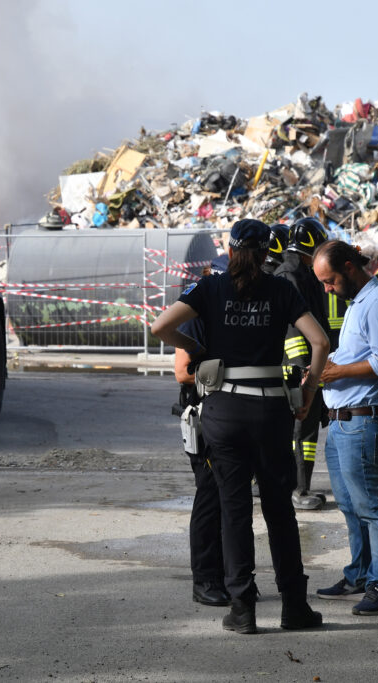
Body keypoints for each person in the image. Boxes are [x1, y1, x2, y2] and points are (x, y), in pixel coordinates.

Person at [151, 218, 329, 634]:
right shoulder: (282, 289)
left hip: (224, 412)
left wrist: (196, 348)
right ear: (269, 253)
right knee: (279, 509)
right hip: (270, 413)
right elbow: (319, 343)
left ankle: (243, 608)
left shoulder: (210, 287)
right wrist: (308, 390)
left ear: (229, 251)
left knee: (234, 511)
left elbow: (161, 326)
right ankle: (294, 606)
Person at [311, 240, 378, 616]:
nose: (327, 289)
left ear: (350, 267)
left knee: (372, 507)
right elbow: (356, 355)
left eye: (330, 280)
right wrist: (329, 368)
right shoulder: (356, 304)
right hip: (341, 421)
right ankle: (360, 573)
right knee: (351, 506)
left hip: (363, 420)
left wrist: (335, 371)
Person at [173, 259, 228, 608]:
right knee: (210, 497)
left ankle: (227, 576)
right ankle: (205, 579)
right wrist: (233, 374)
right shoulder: (194, 311)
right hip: (205, 416)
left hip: (230, 414)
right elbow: (182, 371)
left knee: (228, 502)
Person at [273, 217, 329, 511]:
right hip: (296, 370)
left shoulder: (303, 272)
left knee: (307, 432)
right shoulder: (290, 274)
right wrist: (304, 367)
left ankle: (301, 485)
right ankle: (296, 489)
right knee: (298, 430)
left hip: (310, 367)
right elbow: (292, 330)